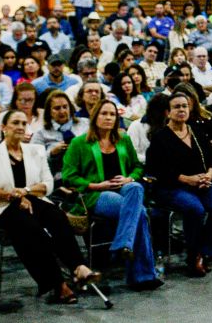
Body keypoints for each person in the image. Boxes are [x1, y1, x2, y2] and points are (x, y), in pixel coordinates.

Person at [0, 110, 99, 304]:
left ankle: (78, 267)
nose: (20, 126)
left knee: (57, 216)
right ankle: (58, 284)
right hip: (2, 205)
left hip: (33, 199)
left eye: (23, 123)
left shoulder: (36, 151)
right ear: (3, 127)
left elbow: (48, 185)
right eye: (15, 122)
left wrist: (24, 191)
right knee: (29, 227)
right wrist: (13, 195)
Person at [60, 100, 161, 291]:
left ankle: (123, 244)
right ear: (95, 117)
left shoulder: (123, 139)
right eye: (104, 113)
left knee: (136, 187)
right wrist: (96, 185)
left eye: (112, 114)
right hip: (96, 193)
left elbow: (137, 167)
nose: (108, 118)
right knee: (140, 213)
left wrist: (128, 178)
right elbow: (68, 176)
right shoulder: (79, 143)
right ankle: (143, 275)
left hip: (123, 189)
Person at [146, 91, 212, 277]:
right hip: (172, 187)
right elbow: (157, 170)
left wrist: (209, 175)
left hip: (202, 182)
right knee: (195, 208)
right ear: (168, 112)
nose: (181, 110)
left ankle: (205, 252)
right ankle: (193, 255)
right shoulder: (160, 137)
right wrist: (186, 179)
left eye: (184, 106)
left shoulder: (197, 132)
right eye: (176, 107)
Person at [31, 90, 88, 161]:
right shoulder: (41, 133)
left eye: (65, 107)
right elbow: (34, 159)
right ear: (49, 111)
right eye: (57, 108)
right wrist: (52, 153)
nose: (62, 111)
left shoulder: (86, 124)